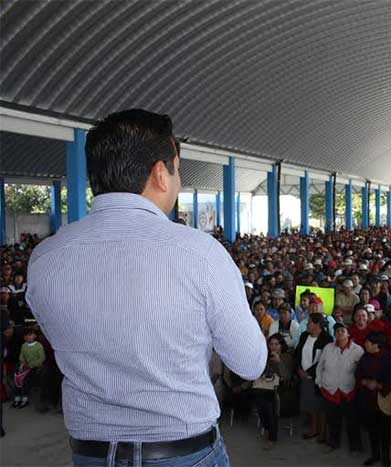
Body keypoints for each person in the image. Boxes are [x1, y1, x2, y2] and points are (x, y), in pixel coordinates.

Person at [26, 110, 267, 466]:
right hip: (183, 453)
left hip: (91, 455)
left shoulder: (45, 258)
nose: (178, 180)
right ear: (160, 173)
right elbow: (250, 363)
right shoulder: (200, 253)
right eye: (177, 168)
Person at [315, 322, 364, 453]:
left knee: (352, 421)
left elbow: (362, 371)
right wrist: (320, 383)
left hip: (348, 391)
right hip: (330, 390)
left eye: (343, 330)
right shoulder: (328, 348)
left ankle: (355, 447)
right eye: (337, 331)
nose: (339, 333)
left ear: (348, 333)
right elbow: (320, 367)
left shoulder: (357, 350)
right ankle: (333, 443)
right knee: (332, 420)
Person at [356, 331, 391, 467]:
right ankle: (375, 455)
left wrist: (379, 385)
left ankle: (386, 457)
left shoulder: (389, 358)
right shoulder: (365, 357)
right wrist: (364, 382)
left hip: (384, 400)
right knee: (372, 429)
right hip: (368, 399)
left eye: (368, 342)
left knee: (385, 431)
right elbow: (358, 373)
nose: (365, 344)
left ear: (376, 345)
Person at [295, 313, 333, 441]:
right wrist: (299, 369)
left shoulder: (326, 338)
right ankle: (314, 428)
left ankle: (318, 431)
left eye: (309, 322)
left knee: (317, 405)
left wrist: (309, 373)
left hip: (317, 377)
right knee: (308, 404)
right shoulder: (304, 335)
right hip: (303, 375)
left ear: (317, 324)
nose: (307, 324)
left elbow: (323, 359)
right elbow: (298, 353)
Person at [12, 327, 45, 408]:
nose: (28, 337)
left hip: (36, 366)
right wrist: (23, 362)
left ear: (35, 336)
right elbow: (21, 356)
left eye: (30, 335)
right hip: (26, 366)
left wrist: (31, 365)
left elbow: (42, 358)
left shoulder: (39, 346)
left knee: (26, 379)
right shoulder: (24, 345)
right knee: (17, 377)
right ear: (24, 337)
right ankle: (17, 396)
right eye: (26, 335)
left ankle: (25, 398)